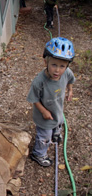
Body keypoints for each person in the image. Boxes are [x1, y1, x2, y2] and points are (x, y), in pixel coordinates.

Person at [27, 37, 75, 167]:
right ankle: (38, 154)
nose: (57, 70)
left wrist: (70, 90)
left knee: (58, 121)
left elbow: (70, 79)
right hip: (44, 115)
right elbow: (33, 98)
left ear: (67, 66)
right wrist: (43, 111)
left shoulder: (66, 73)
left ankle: (56, 134)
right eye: (54, 64)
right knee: (44, 136)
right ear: (46, 62)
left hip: (57, 108)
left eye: (62, 66)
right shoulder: (39, 81)